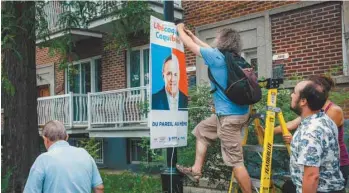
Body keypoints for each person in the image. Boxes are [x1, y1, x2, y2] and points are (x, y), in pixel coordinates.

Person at [175, 23, 252, 193]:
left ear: (222, 40)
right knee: (202, 130)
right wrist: (193, 35)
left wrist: (180, 29)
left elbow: (190, 46)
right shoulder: (233, 59)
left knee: (236, 162)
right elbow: (206, 47)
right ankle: (196, 169)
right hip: (239, 114)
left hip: (229, 119)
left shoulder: (216, 58)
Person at [275, 75, 349, 187]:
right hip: (319, 170)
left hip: (334, 165)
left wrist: (297, 141)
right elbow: (292, 124)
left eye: (294, 93)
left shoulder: (322, 120)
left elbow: (312, 176)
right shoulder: (316, 114)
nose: (291, 95)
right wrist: (267, 131)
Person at [23, 120, 104, 193]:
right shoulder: (84, 154)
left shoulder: (43, 160)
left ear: (45, 139)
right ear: (67, 137)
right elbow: (99, 188)